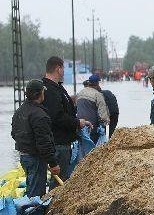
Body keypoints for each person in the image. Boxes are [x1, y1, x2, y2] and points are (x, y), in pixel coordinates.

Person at [42, 56, 91, 189]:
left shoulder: (56, 88)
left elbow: (65, 110)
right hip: (58, 143)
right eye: (63, 68)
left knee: (62, 179)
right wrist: (77, 123)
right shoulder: (50, 90)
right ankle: (52, 208)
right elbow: (57, 117)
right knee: (58, 183)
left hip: (63, 142)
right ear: (58, 69)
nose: (63, 71)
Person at [11, 80, 60, 197]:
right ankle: (33, 214)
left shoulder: (19, 111)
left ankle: (29, 212)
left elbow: (14, 134)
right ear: (40, 93)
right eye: (43, 91)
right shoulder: (40, 115)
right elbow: (44, 142)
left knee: (31, 188)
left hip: (24, 157)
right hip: (35, 158)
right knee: (36, 194)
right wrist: (53, 163)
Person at [76, 74, 110, 143]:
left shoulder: (80, 93)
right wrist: (106, 122)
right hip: (92, 126)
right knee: (94, 149)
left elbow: (76, 107)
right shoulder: (97, 95)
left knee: (82, 148)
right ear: (97, 83)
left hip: (80, 125)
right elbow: (102, 113)